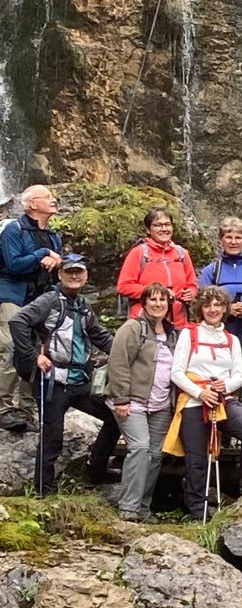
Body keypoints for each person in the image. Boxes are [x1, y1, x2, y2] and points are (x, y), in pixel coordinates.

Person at [7, 254, 119, 494]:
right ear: (60, 274)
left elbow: (99, 335)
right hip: (52, 382)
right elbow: (18, 321)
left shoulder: (82, 305)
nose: (75, 275)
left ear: (86, 275)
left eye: (79, 271)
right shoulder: (49, 300)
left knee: (114, 416)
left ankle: (95, 470)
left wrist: (127, 354)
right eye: (69, 271)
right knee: (52, 437)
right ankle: (44, 491)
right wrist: (33, 356)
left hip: (78, 381)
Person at [171, 286, 242, 519]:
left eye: (217, 305)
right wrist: (200, 393)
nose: (213, 309)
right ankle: (199, 511)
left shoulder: (231, 340)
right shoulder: (189, 334)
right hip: (194, 401)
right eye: (207, 305)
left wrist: (223, 387)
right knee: (197, 460)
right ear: (200, 309)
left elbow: (239, 376)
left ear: (225, 309)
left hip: (223, 399)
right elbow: (177, 373)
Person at [106, 283, 180, 521]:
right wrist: (121, 398)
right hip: (132, 401)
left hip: (160, 404)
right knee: (139, 448)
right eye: (153, 300)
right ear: (144, 303)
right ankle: (128, 507)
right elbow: (118, 363)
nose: (158, 305)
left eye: (163, 301)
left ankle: (143, 508)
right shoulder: (132, 328)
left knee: (156, 455)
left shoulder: (172, 333)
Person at [0, 185, 64, 431]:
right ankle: (4, 409)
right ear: (32, 204)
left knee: (37, 353)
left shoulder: (53, 235)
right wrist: (43, 253)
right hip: (12, 296)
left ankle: (27, 410)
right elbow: (14, 264)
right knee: (10, 348)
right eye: (47, 197)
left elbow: (60, 269)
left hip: (40, 301)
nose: (53, 200)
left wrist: (58, 260)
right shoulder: (12, 229)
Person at [197, 217, 242, 421]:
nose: (233, 242)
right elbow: (200, 304)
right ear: (221, 240)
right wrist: (229, 310)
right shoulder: (211, 271)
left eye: (238, 237)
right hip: (221, 339)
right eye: (229, 237)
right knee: (222, 384)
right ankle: (222, 432)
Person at [116, 206, 197, 325]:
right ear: (148, 230)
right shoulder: (139, 253)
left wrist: (191, 292)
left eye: (167, 224)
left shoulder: (182, 254)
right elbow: (124, 286)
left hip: (178, 322)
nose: (164, 229)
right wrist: (158, 292)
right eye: (158, 225)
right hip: (145, 322)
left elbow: (192, 284)